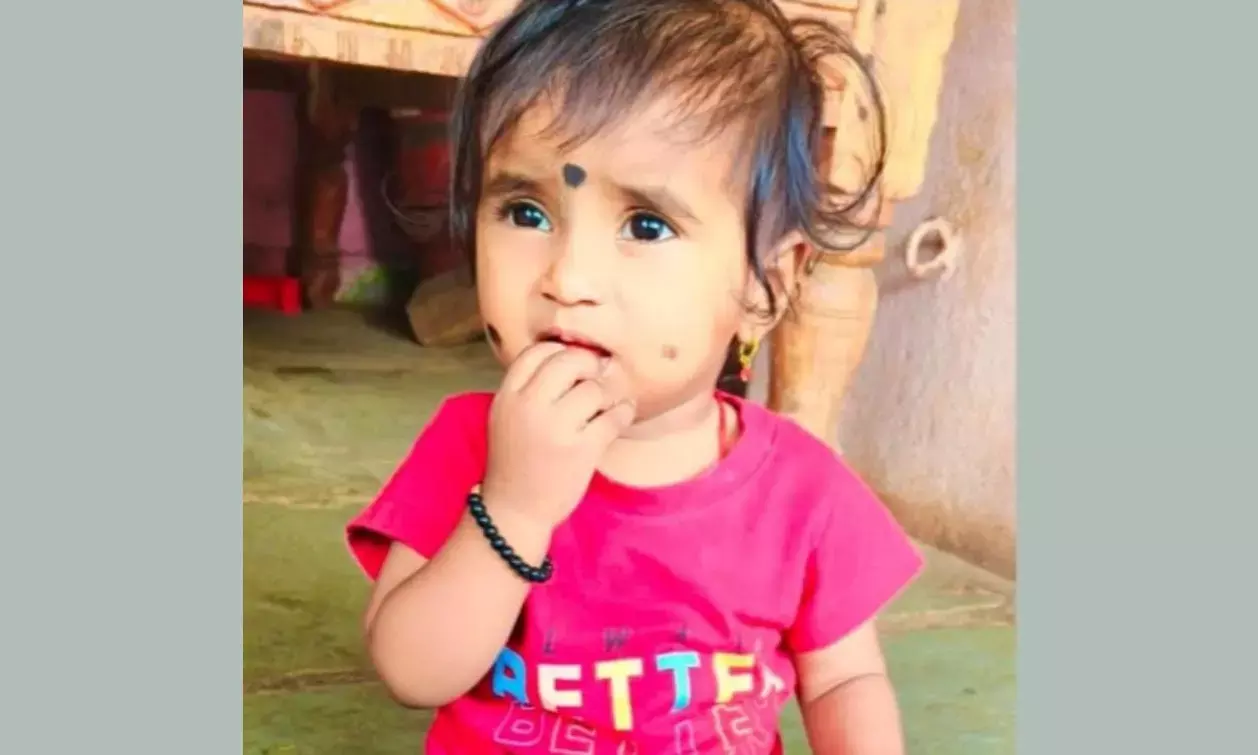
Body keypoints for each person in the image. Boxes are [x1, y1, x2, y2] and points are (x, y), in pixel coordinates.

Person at [346, 1, 922, 752]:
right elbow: (412, 673)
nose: (568, 278)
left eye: (646, 225)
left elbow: (845, 679)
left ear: (765, 284)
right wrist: (514, 509)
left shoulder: (804, 492)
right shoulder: (470, 445)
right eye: (525, 212)